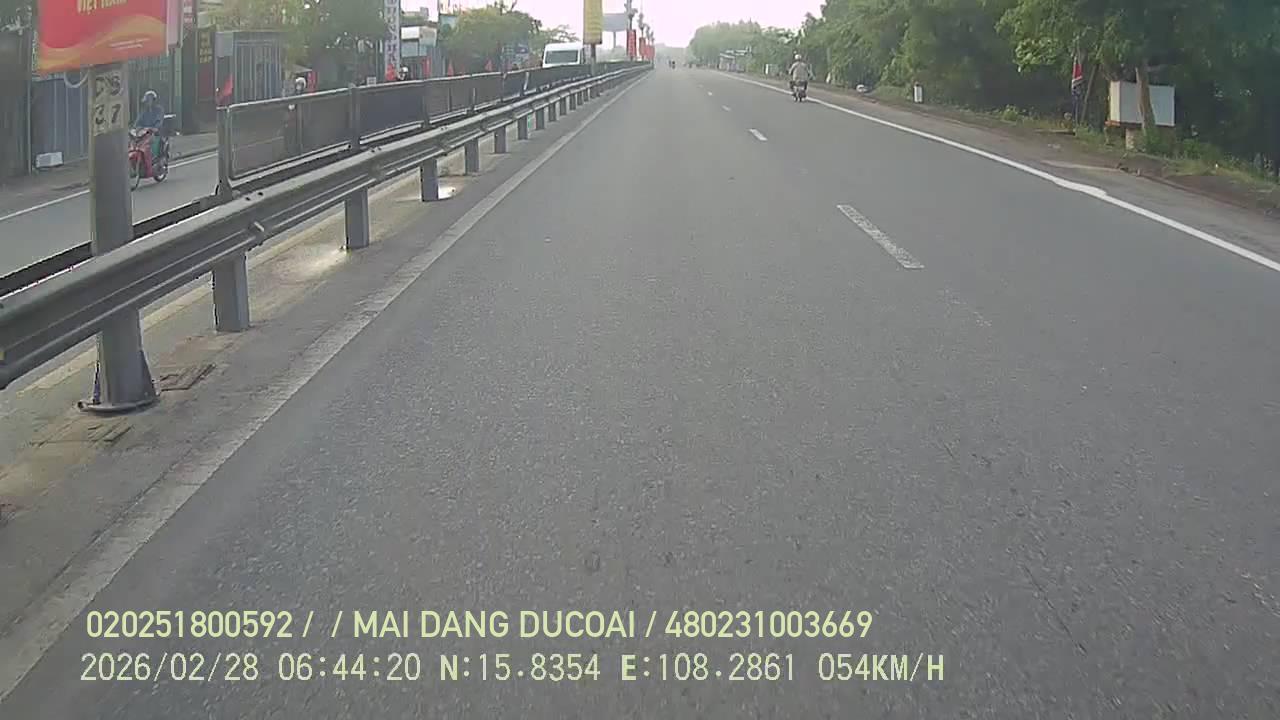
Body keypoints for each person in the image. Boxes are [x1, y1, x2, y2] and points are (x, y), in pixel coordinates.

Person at [133, 90, 166, 163]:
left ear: (153, 100)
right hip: (144, 133)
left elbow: (159, 121)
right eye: (146, 101)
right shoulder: (144, 111)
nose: (147, 102)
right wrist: (136, 127)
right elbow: (138, 121)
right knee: (136, 142)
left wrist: (154, 128)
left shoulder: (159, 110)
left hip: (156, 133)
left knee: (151, 142)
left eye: (148, 100)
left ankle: (153, 158)